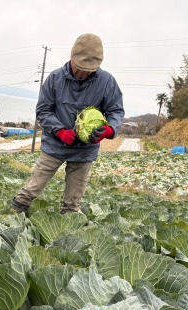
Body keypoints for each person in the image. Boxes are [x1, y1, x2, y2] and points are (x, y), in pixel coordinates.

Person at [11, 33, 124, 214]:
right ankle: (12, 214)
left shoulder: (107, 81)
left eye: (90, 69)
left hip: (84, 150)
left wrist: (109, 129)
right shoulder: (55, 78)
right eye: (80, 67)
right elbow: (43, 110)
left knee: (73, 202)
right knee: (32, 188)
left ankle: (66, 231)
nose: (84, 72)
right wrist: (60, 131)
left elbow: (116, 110)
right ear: (72, 58)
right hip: (55, 145)